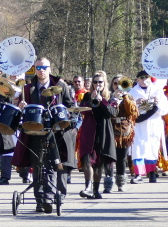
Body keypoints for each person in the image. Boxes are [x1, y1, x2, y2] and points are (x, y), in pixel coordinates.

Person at [16, 57, 75, 211]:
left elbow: (70, 105)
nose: (41, 71)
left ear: (50, 68)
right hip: (35, 130)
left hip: (56, 130)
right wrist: (21, 105)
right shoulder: (28, 88)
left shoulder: (61, 86)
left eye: (44, 67)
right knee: (38, 164)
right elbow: (22, 110)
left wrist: (70, 118)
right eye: (38, 68)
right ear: (34, 69)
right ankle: (40, 200)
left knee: (56, 163)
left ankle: (54, 196)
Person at [78, 72, 116, 198]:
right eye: (95, 82)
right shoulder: (87, 95)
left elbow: (112, 113)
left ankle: (95, 189)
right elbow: (81, 109)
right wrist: (90, 100)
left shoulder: (110, 96)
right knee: (87, 160)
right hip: (89, 130)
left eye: (100, 82)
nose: (97, 84)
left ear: (104, 83)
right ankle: (87, 187)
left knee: (99, 162)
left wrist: (102, 101)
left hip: (103, 131)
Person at [128, 71, 168, 183]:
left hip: (153, 123)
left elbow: (165, 109)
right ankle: (139, 174)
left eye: (147, 77)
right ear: (137, 79)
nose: (145, 79)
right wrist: (136, 103)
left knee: (152, 148)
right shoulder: (133, 92)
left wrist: (156, 104)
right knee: (138, 149)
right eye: (142, 77)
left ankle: (152, 173)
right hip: (139, 124)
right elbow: (128, 109)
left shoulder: (157, 90)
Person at [110, 76, 138, 191]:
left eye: (121, 84)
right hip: (110, 129)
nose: (118, 86)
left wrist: (124, 96)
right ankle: (108, 182)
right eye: (116, 83)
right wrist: (114, 99)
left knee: (121, 158)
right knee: (109, 158)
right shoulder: (109, 97)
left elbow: (132, 112)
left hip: (124, 132)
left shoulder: (130, 97)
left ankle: (121, 182)